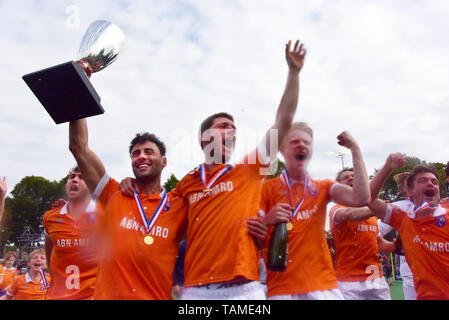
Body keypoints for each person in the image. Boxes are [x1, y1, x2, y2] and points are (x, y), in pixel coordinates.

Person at [159, 39, 305, 300]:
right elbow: (164, 222)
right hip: (195, 291)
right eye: (223, 125)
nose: (231, 130)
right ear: (204, 138)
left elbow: (283, 121)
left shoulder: (248, 170)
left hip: (244, 288)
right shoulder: (187, 183)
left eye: (233, 128)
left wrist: (293, 73)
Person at [68, 63, 188, 299]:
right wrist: (81, 87)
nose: (141, 156)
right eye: (135, 153)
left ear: (164, 162)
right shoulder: (113, 192)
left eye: (149, 151)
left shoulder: (179, 205)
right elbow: (78, 147)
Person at [260, 122, 371, 300]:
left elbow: (362, 198)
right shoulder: (265, 190)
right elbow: (246, 234)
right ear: (281, 148)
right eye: (294, 141)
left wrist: (355, 149)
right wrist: (267, 220)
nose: (301, 145)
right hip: (282, 288)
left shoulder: (323, 187)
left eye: (306, 142)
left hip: (323, 286)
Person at [368, 155, 449, 300]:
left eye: (434, 181)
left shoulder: (446, 211)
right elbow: (369, 199)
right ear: (409, 191)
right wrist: (387, 167)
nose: (430, 184)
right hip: (415, 278)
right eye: (423, 181)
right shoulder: (404, 216)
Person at [329, 167, 392, 300]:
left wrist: (396, 246)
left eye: (354, 176)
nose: (351, 178)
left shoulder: (371, 216)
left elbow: (380, 243)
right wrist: (377, 209)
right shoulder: (337, 209)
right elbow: (349, 214)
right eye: (346, 177)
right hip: (348, 281)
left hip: (376, 278)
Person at [43, 166, 101, 300]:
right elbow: (49, 248)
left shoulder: (104, 215)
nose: (74, 180)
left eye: (81, 177)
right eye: (72, 177)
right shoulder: (50, 216)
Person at [377, 171, 417, 299]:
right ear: (405, 189)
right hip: (412, 271)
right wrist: (391, 246)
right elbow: (373, 230)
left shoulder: (440, 206)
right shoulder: (399, 208)